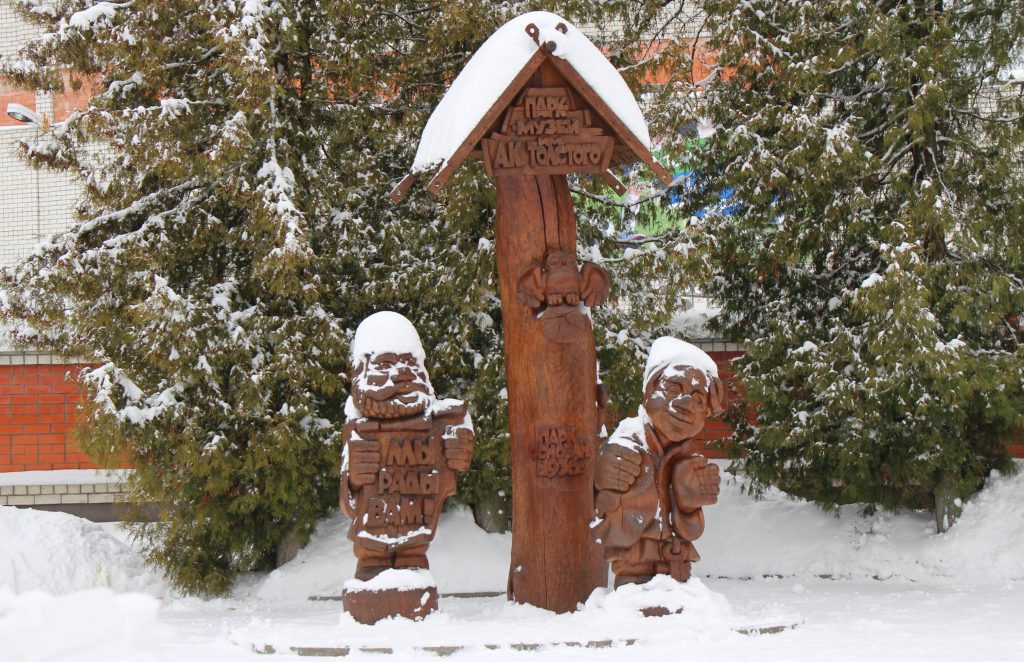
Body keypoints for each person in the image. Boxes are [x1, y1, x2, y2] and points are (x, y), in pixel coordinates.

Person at [341, 311, 474, 580]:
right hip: (371, 542)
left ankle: (410, 568)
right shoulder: (358, 429)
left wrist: (458, 451)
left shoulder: (439, 423)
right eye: (386, 364)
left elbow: (453, 466)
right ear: (359, 372)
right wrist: (352, 478)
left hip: (417, 537)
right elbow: (349, 497)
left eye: (410, 364)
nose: (401, 375)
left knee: (414, 569)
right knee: (371, 569)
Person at [592, 336, 724, 586]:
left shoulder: (687, 458)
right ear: (649, 391)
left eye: (698, 400)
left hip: (675, 560)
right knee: (633, 596)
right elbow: (599, 495)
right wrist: (604, 469)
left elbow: (692, 530)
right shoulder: (628, 439)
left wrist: (687, 503)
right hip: (633, 560)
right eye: (673, 389)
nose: (686, 405)